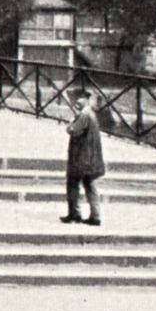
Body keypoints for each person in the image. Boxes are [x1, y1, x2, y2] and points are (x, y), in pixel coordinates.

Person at [61, 89, 106, 226]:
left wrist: (70, 124)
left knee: (73, 184)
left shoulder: (84, 115)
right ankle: (95, 215)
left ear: (85, 100)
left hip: (81, 158)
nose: (76, 102)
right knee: (90, 185)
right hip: (90, 158)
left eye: (79, 99)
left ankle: (74, 214)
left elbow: (74, 131)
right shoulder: (90, 114)